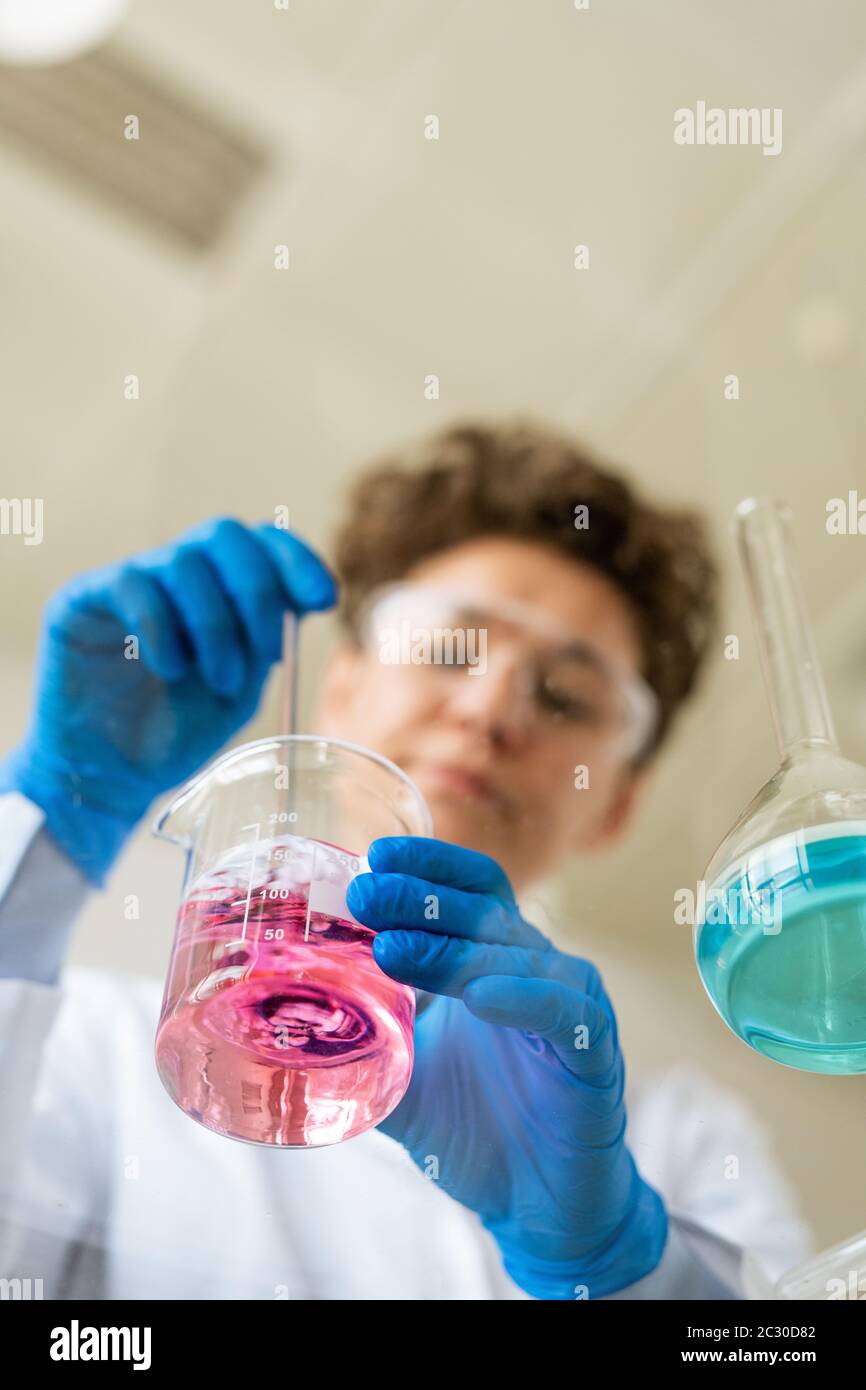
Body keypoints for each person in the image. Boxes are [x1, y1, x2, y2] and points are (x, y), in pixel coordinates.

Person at [0, 421, 809, 1301]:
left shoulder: (678, 1138)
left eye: (567, 697)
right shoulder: (110, 1051)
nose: (491, 708)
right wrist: (53, 824)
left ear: (615, 805)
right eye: (447, 648)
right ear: (341, 688)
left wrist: (622, 1264)